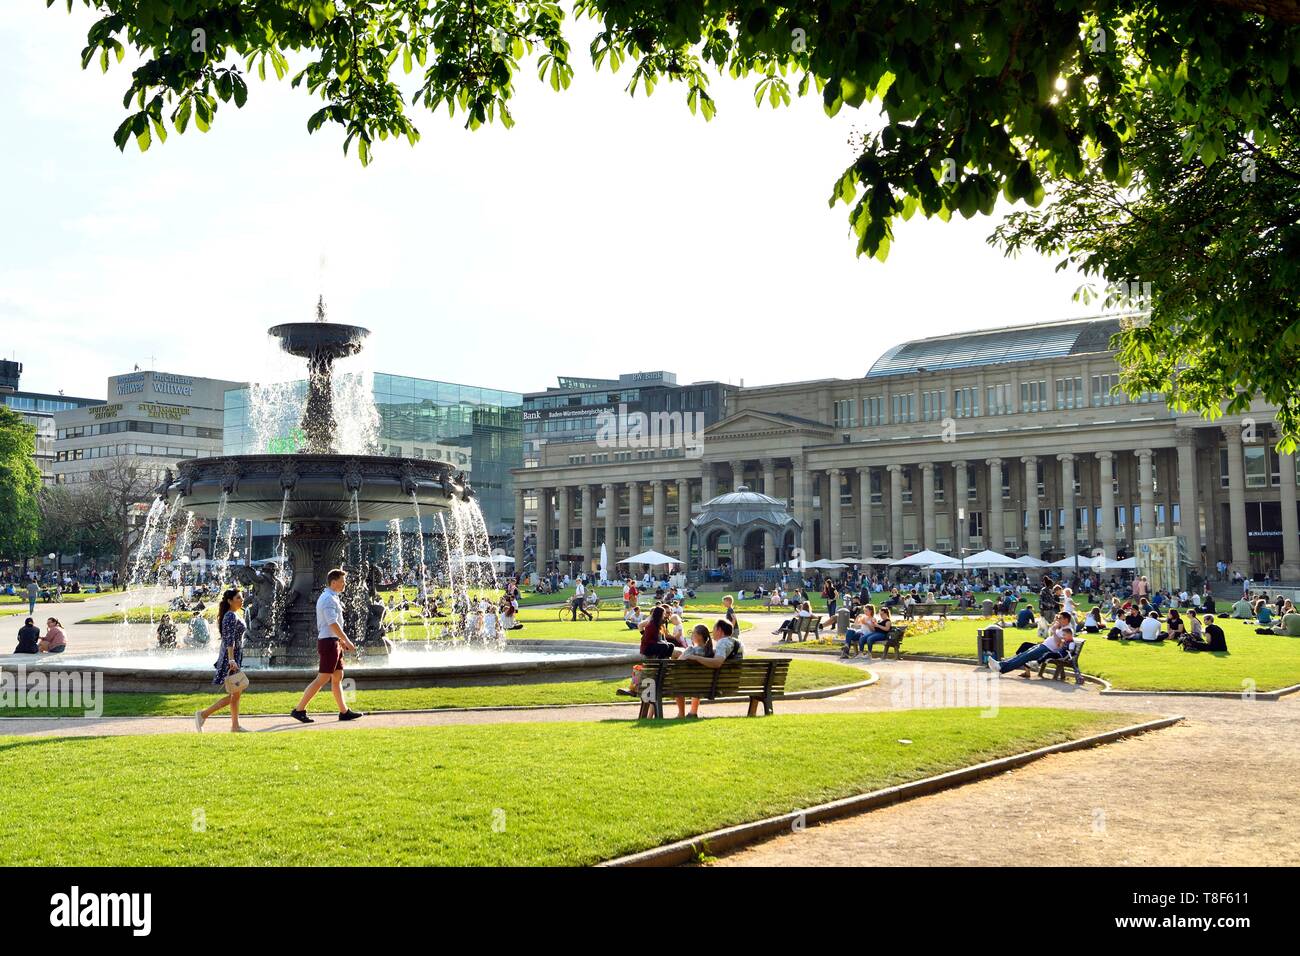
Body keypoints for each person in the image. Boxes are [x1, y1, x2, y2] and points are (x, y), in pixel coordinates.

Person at [291, 568, 364, 723]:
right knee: (322, 678)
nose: (344, 584)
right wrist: (346, 640)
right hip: (329, 642)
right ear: (334, 582)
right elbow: (333, 623)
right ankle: (299, 709)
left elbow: (334, 624)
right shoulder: (327, 599)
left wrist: (341, 641)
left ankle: (344, 711)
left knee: (338, 676)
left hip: (333, 641)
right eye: (342, 581)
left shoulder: (332, 597)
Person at [195, 588, 249, 733]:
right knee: (234, 694)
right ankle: (203, 714)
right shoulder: (230, 616)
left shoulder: (234, 614)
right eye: (238, 598)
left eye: (241, 597)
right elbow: (229, 640)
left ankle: (235, 726)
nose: (241, 600)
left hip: (233, 657)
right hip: (230, 658)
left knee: (235, 693)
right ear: (230, 601)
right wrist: (231, 660)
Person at [986, 614, 1071, 676]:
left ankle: (1001, 667)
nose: (1058, 619)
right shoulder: (1062, 628)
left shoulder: (1067, 630)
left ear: (1066, 619)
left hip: (1048, 650)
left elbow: (1059, 644)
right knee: (1023, 655)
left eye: (1060, 618)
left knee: (1024, 657)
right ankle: (1001, 666)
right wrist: (1054, 629)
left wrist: (1054, 631)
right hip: (1044, 646)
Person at [674, 623, 714, 719]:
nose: (691, 635)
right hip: (705, 684)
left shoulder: (691, 650)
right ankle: (693, 711)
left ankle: (681, 713)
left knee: (676, 683)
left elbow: (678, 663)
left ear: (699, 636)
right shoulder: (711, 652)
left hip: (687, 683)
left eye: (693, 633)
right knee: (697, 682)